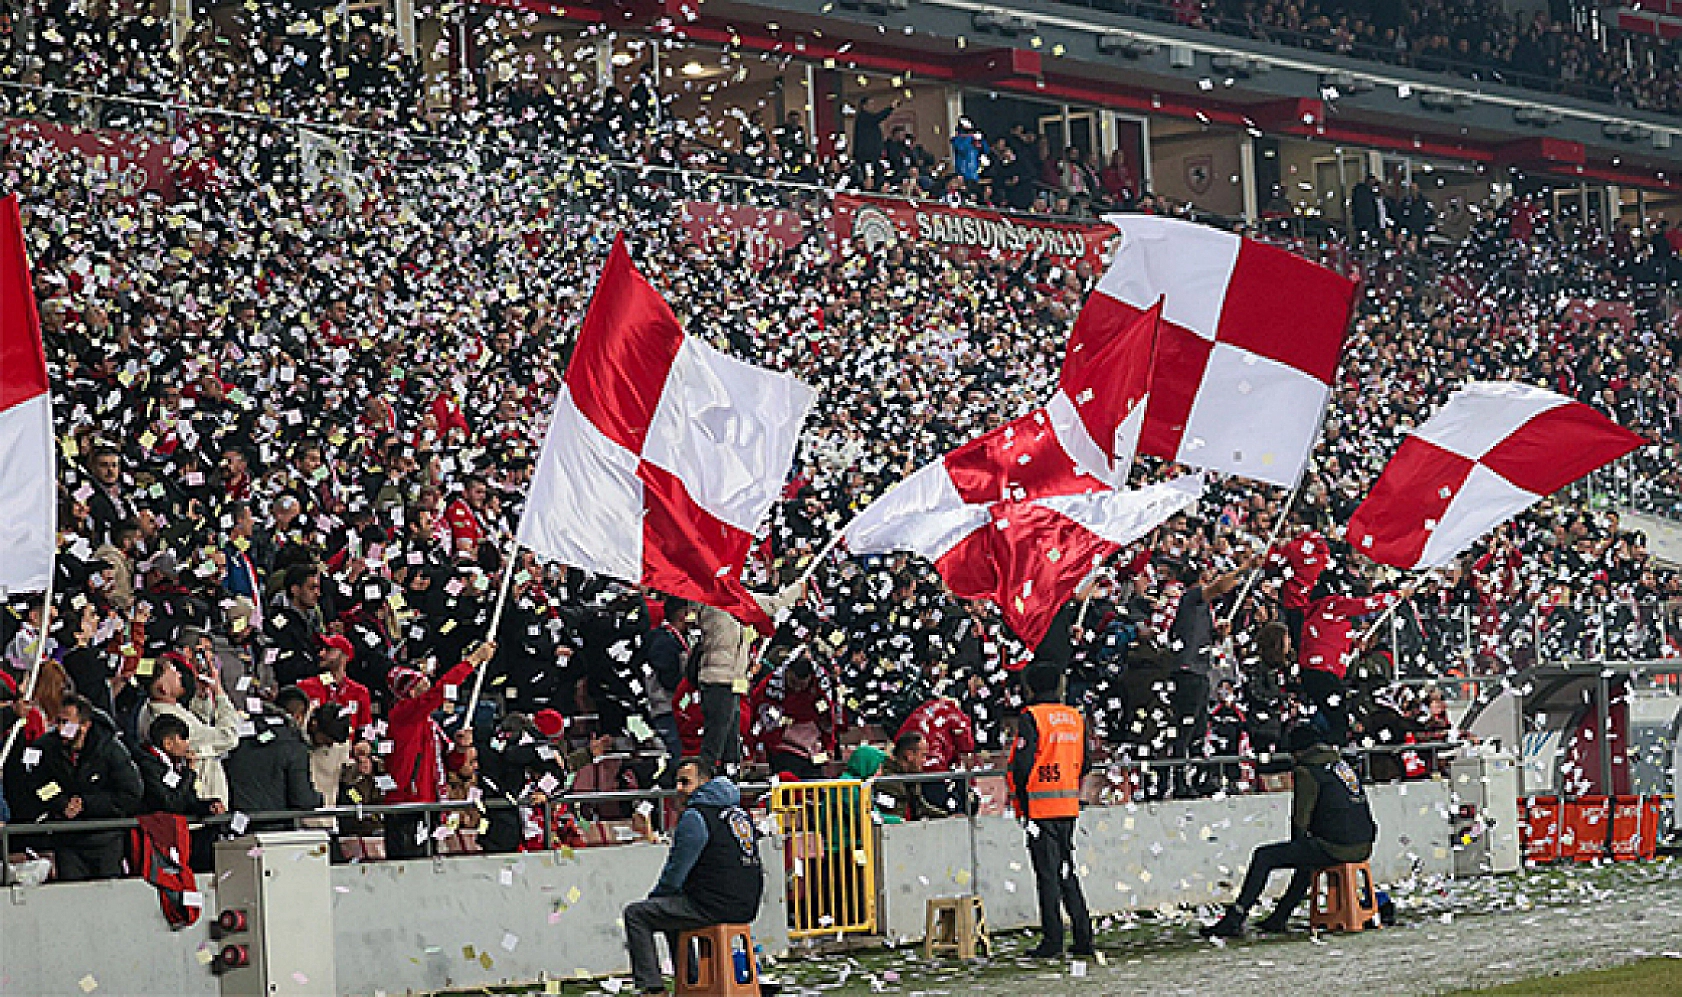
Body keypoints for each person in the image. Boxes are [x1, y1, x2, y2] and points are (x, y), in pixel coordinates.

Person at [1201, 724, 1377, 937]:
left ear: (1298, 752)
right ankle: (1280, 916)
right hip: (1363, 844)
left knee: (1265, 856)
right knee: (1307, 858)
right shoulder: (1342, 767)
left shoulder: (1307, 771)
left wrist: (1298, 844)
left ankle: (1236, 917)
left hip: (1336, 846)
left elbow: (1300, 819)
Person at [622, 758, 764, 996]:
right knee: (671, 911)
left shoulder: (696, 816)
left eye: (685, 782)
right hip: (747, 904)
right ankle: (691, 979)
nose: (678, 788)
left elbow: (677, 869)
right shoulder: (739, 813)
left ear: (704, 781)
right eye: (677, 782)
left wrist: (655, 897)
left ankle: (654, 988)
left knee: (638, 914)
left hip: (713, 903)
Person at [1006, 664, 1093, 959]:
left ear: (1030, 688)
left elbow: (1023, 762)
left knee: (1047, 875)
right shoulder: (1075, 717)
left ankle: (1053, 940)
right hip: (1067, 805)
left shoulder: (1032, 717)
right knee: (1067, 870)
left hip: (1040, 808)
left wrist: (1021, 796)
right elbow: (1087, 762)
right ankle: (1083, 935)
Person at [383, 640, 496, 858]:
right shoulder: (402, 715)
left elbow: (450, 763)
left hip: (429, 806)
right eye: (419, 685)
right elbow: (441, 691)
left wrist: (461, 748)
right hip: (407, 808)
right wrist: (473, 660)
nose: (425, 687)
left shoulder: (429, 725)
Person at [30, 695, 144, 880]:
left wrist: (86, 804)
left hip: (105, 839)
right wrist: (61, 803)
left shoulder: (111, 750)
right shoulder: (47, 748)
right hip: (67, 840)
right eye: (57, 722)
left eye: (66, 723)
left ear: (84, 725)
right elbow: (38, 784)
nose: (59, 729)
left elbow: (130, 794)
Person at [694, 582, 803, 772]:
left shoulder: (736, 600)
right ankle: (705, 786)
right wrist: (797, 590)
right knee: (716, 742)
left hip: (732, 681)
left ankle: (730, 783)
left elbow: (772, 603)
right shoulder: (713, 601)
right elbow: (771, 603)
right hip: (719, 681)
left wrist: (796, 590)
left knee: (731, 743)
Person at [223, 689, 325, 827]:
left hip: (233, 825)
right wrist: (318, 798)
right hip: (275, 830)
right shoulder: (294, 745)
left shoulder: (236, 734)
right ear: (299, 716)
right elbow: (302, 799)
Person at [137, 713, 225, 818]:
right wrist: (189, 774)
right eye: (183, 738)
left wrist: (208, 807)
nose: (187, 744)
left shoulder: (175, 765)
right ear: (168, 743)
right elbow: (171, 804)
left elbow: (187, 802)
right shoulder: (148, 765)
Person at [297, 633, 374, 737]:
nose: (321, 654)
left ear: (345, 656)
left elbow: (366, 729)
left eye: (329, 649)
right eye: (322, 649)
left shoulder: (360, 692)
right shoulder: (305, 687)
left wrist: (364, 743)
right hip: (312, 750)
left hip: (346, 750)